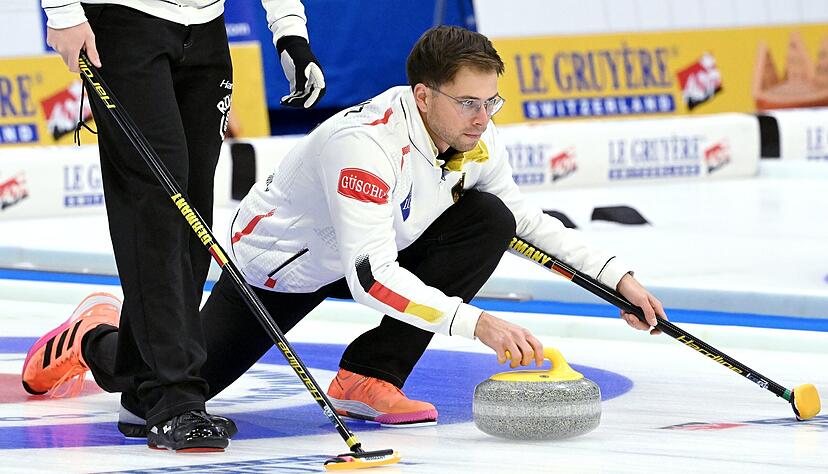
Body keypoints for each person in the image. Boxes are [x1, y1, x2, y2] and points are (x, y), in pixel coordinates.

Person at [24, 25, 666, 442]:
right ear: (423, 94)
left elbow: (526, 222)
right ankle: (95, 336)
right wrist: (480, 325)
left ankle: (367, 375)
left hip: (375, 247)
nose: (483, 117)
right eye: (468, 102)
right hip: (279, 274)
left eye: (491, 101)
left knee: (490, 220)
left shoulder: (474, 136)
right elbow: (372, 279)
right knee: (146, 396)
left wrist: (619, 281)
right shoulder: (364, 146)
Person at [23, 0, 325, 452]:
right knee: (159, 209)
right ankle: (173, 398)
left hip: (206, 29)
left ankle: (116, 361)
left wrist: (290, 31)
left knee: (191, 221)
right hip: (124, 22)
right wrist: (64, 11)